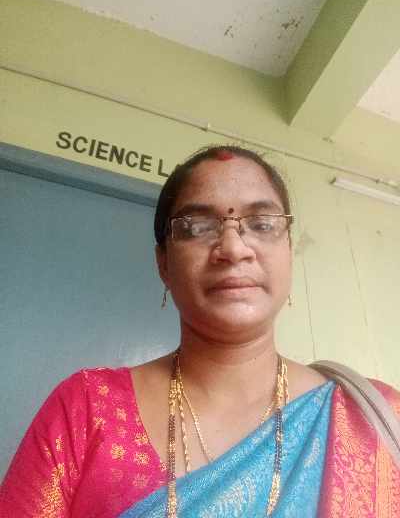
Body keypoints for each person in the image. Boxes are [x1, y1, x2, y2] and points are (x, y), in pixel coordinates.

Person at [1, 145, 399, 517]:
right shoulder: (87, 409)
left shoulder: (372, 419)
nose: (234, 248)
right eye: (196, 227)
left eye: (262, 224)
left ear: (289, 252)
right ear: (163, 263)